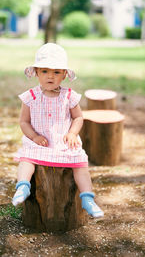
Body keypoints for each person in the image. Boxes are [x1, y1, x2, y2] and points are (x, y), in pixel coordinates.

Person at [12, 43, 104, 218]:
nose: (50, 76)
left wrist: (72, 133)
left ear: (64, 75)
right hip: (39, 143)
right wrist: (34, 136)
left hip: (62, 143)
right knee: (26, 160)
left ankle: (87, 198)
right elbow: (24, 121)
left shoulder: (69, 96)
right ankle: (22, 187)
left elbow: (78, 117)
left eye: (56, 72)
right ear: (37, 73)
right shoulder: (30, 97)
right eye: (45, 71)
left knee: (80, 164)